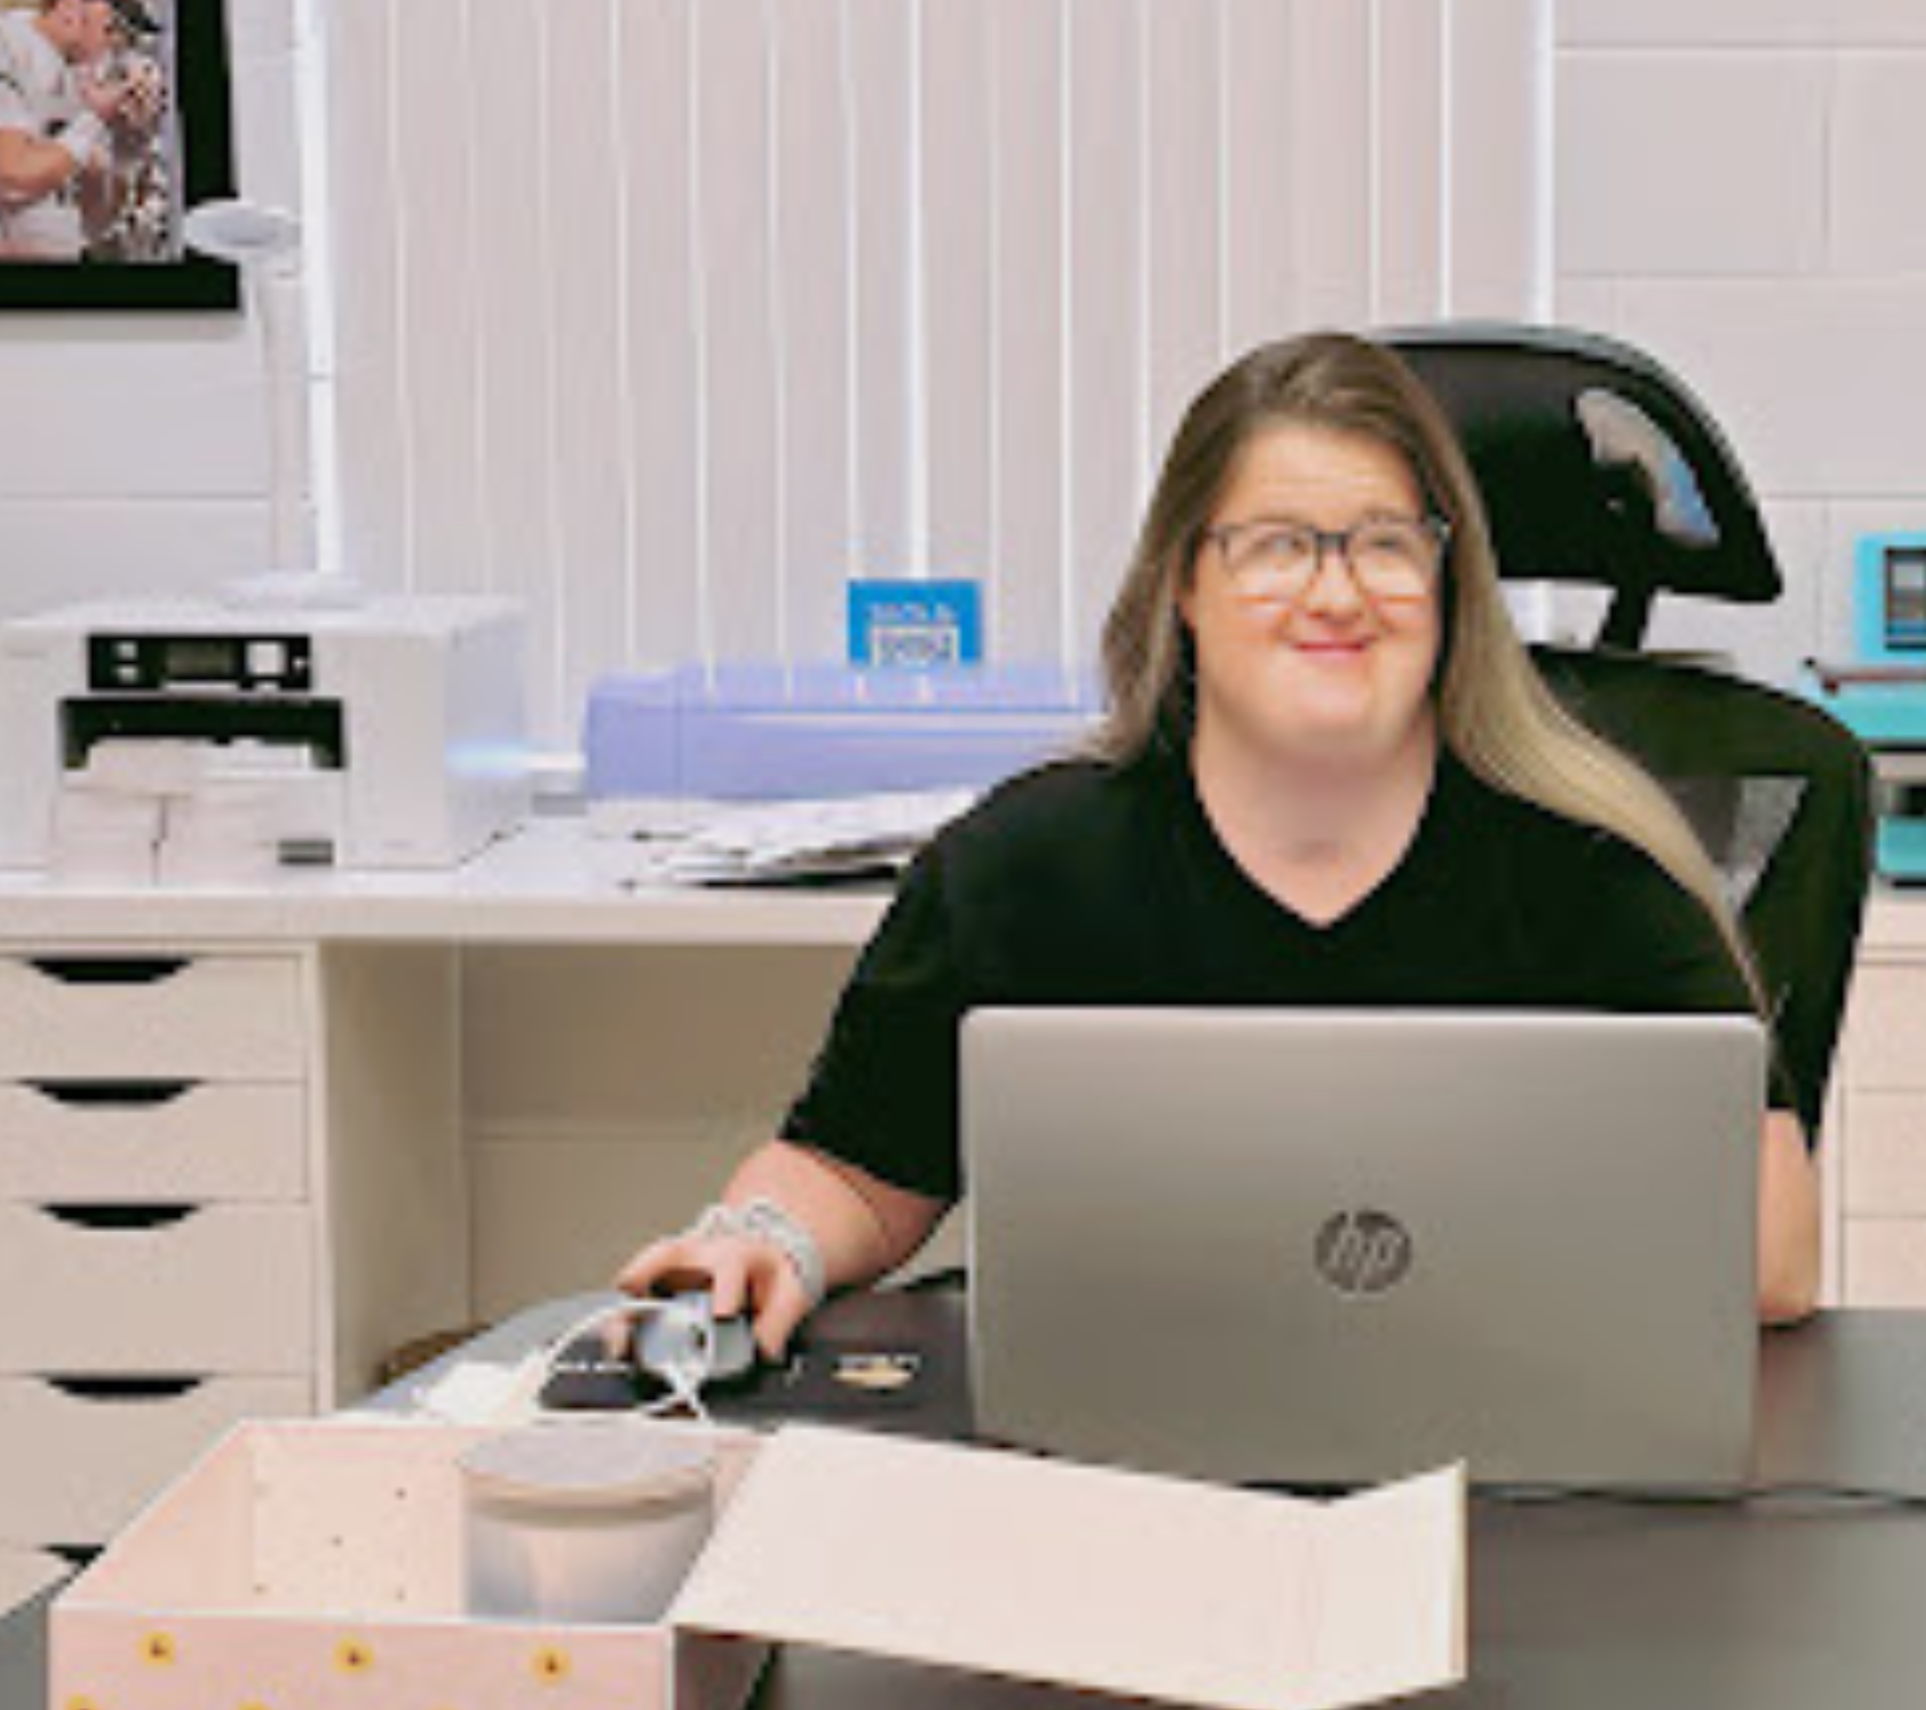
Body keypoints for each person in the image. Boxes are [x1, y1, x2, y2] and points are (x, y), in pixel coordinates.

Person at [618, 330, 1825, 1355]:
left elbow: (1772, 1257)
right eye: (1277, 544)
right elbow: (852, 1175)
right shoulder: (1021, 868)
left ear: (1449, 584)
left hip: (1517, 1473)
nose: (1338, 593)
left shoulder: (1591, 863)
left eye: (1385, 542)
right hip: (1128, 1483)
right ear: (1182, 585)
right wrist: (758, 1242)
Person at [0, 0, 162, 264]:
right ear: (71, 7)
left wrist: (127, 145)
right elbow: (13, 178)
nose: (116, 46)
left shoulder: (73, 77)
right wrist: (95, 119)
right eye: (111, 29)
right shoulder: (9, 45)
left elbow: (93, 225)